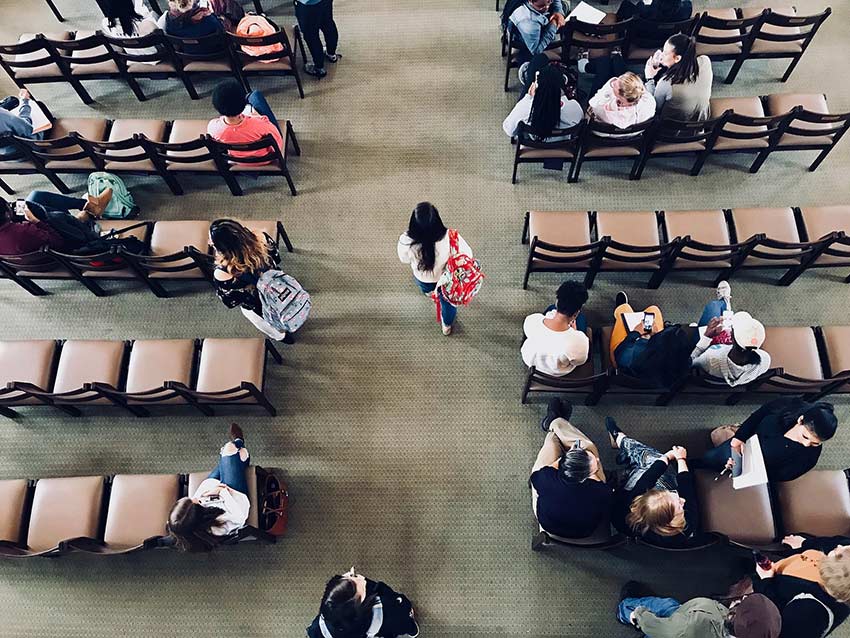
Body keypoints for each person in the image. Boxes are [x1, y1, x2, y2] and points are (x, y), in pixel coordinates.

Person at [607, 417, 702, 548]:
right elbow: (686, 490)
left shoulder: (636, 504)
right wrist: (675, 458)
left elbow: (648, 479)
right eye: (679, 503)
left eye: (678, 503)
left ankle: (621, 443)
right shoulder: (683, 527)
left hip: (622, 493)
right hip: (625, 493)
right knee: (652, 462)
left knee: (652, 461)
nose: (683, 501)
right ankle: (623, 451)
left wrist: (673, 457)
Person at [692, 398, 838, 482]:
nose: (807, 445)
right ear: (800, 420)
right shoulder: (785, 406)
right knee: (710, 458)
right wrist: (738, 438)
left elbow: (783, 476)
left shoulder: (810, 456)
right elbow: (757, 416)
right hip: (747, 441)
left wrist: (748, 470)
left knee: (723, 467)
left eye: (815, 443)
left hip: (760, 465)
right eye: (805, 437)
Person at [530, 398, 614, 539]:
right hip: (582, 532)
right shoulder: (602, 491)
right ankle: (557, 422)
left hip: (547, 523)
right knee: (589, 447)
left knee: (551, 440)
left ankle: (554, 423)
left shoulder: (547, 478)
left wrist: (564, 461)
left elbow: (536, 477)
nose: (599, 461)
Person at [167, 423, 252, 552]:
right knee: (229, 450)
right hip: (234, 495)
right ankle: (239, 444)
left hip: (212, 491)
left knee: (228, 456)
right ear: (197, 512)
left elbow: (199, 498)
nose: (194, 498)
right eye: (193, 501)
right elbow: (239, 517)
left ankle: (241, 457)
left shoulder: (183, 523)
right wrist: (221, 492)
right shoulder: (217, 526)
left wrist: (210, 492)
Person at [209, 217, 294, 343]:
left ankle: (283, 337)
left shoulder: (223, 272)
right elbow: (276, 258)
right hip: (278, 285)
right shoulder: (262, 238)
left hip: (259, 304)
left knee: (265, 323)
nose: (209, 241)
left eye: (211, 240)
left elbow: (231, 301)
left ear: (221, 247)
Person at [751, 536, 850, 638]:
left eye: (839, 554)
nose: (839, 546)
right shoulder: (842, 584)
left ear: (831, 571)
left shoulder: (809, 612)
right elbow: (839, 542)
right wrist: (805, 543)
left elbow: (772, 622)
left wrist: (765, 581)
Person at [397, 202, 472, 336]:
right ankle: (447, 325)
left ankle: (430, 293)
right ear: (438, 221)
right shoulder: (451, 237)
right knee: (448, 304)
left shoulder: (406, 241)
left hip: (423, 278)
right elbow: (468, 255)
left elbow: (404, 259)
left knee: (426, 288)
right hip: (447, 281)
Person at [617, 581, 781, 638]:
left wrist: (638, 615)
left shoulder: (691, 627)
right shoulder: (752, 633)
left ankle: (623, 610)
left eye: (744, 603)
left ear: (733, 617)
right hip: (684, 615)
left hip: (672, 626)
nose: (744, 598)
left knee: (661, 606)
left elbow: (664, 629)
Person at [690, 282, 771, 387]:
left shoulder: (709, 359)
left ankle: (723, 302)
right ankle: (724, 303)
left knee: (713, 306)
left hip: (709, 351)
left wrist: (706, 337)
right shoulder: (765, 359)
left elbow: (691, 361)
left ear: (731, 337)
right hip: (724, 355)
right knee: (716, 311)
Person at [306, 569, 419, 638]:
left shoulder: (319, 627)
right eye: (355, 578)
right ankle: (412, 630)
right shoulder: (384, 608)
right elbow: (400, 613)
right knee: (402, 620)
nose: (361, 578)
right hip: (387, 621)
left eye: (349, 576)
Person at [0, 188, 114, 256]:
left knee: (36, 196)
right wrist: (35, 221)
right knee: (54, 217)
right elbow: (57, 242)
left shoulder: (19, 229)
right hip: (56, 253)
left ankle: (88, 207)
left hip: (21, 254)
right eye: (8, 207)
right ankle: (86, 213)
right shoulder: (24, 230)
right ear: (6, 214)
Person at [521, 280, 589, 377]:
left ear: (557, 301)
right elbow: (580, 361)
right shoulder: (580, 340)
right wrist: (574, 332)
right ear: (576, 313)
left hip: (531, 361)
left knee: (550, 309)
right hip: (557, 371)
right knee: (582, 320)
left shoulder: (532, 320)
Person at [207, 80, 285, 163]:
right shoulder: (261, 124)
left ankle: (246, 98)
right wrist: (257, 117)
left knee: (253, 96)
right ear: (242, 106)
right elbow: (278, 143)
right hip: (265, 159)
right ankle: (247, 97)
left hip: (238, 161)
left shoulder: (213, 127)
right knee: (255, 95)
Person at [502, 63, 584, 141]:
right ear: (561, 88)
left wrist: (528, 97)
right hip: (563, 149)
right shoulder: (574, 107)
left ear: (536, 88)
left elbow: (509, 130)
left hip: (532, 149)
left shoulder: (525, 107)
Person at [644, 33, 713, 122]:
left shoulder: (667, 83)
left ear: (677, 58)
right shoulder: (705, 61)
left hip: (673, 130)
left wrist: (649, 78)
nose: (661, 56)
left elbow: (654, 107)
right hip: (701, 122)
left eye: (665, 53)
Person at [588, 71, 656, 135]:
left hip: (607, 137)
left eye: (614, 85)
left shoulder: (603, 109)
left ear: (620, 97)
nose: (613, 82)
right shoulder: (650, 102)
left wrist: (609, 86)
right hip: (636, 136)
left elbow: (592, 103)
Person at [294, 0, 340, 79]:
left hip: (307, 4)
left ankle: (319, 67)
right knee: (328, 25)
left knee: (311, 35)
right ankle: (331, 54)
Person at [0, 90, 43, 159]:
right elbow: (27, 128)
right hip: (24, 150)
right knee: (40, 106)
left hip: (3, 154)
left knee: (11, 100)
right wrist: (25, 101)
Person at [616, 0, 693, 22]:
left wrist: (641, 4)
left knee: (625, 5)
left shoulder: (641, 11)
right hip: (667, 41)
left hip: (642, 42)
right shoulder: (687, 8)